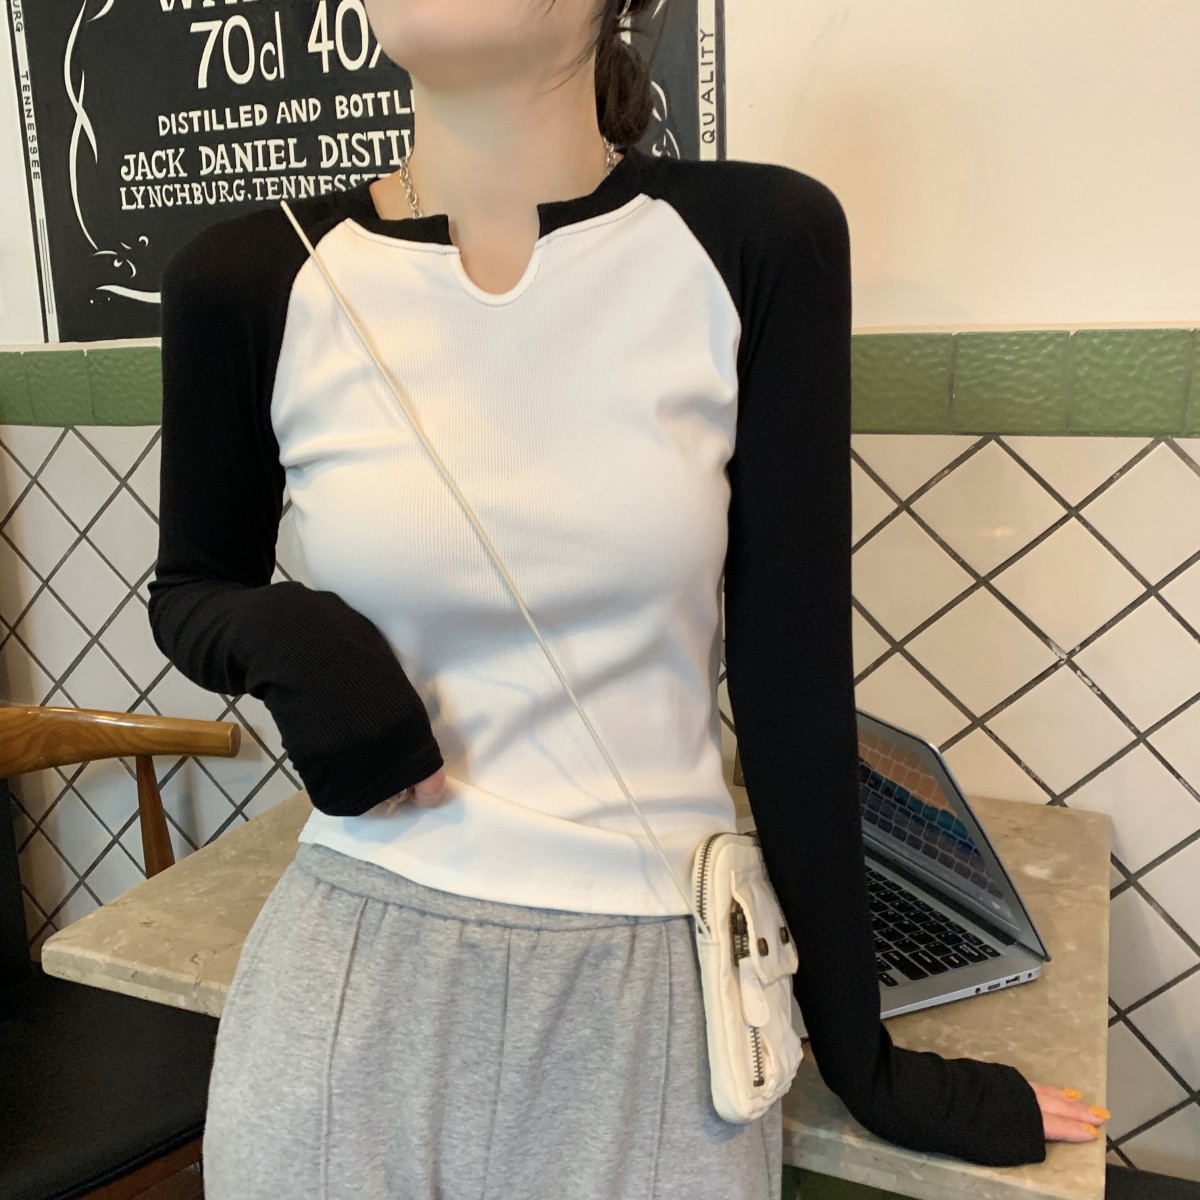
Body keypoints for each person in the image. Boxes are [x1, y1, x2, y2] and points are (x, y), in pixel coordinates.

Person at [147, 1, 1110, 1196]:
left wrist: (868, 1064)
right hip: (345, 993)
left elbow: (793, 687)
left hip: (649, 987)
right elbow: (192, 588)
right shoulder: (251, 277)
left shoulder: (754, 240)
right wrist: (289, 636)